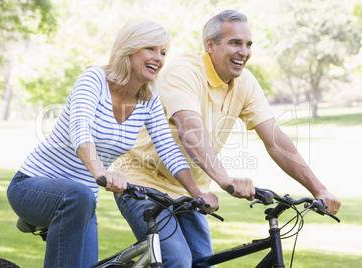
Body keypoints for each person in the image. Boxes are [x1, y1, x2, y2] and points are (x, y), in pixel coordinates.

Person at [113, 10, 342, 267]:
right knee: (177, 259)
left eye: (248, 44)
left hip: (190, 190)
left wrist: (318, 188)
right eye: (235, 43)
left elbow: (276, 140)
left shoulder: (245, 83)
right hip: (142, 184)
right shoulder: (184, 71)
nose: (244, 51)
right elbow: (190, 129)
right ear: (210, 45)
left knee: (204, 262)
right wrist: (224, 178)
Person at [7, 20, 217, 268]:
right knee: (79, 193)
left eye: (163, 52)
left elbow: (168, 149)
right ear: (129, 49)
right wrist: (100, 171)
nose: (158, 58)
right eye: (150, 48)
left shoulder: (148, 98)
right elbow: (80, 130)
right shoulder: (94, 79)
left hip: (83, 203)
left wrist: (197, 193)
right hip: (31, 185)